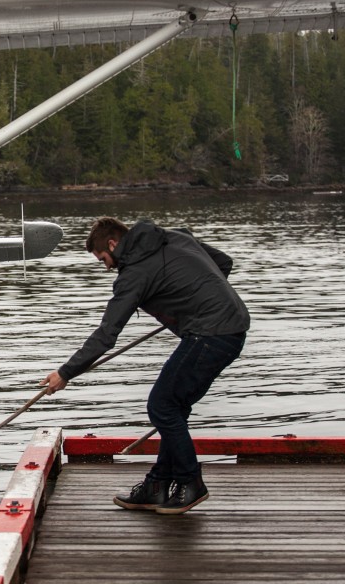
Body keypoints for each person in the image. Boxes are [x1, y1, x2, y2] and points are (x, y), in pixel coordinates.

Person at [39, 217, 249, 515]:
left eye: (103, 259)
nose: (107, 267)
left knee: (162, 407)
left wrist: (65, 373)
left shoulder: (133, 275)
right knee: (173, 408)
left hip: (211, 335)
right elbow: (223, 263)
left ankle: (190, 482)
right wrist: (192, 298)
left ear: (113, 244)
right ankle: (157, 485)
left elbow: (106, 335)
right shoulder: (175, 236)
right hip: (229, 328)